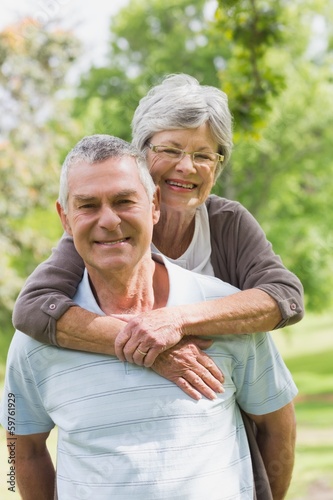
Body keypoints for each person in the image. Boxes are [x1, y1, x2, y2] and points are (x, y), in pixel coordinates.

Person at [1, 135, 297, 499]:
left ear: (154, 205)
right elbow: (20, 445)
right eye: (88, 206)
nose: (108, 220)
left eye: (125, 201)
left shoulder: (226, 311)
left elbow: (277, 425)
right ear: (65, 217)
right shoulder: (36, 339)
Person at [12, 73, 304, 400]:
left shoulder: (228, 223)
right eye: (171, 150)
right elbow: (33, 309)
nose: (186, 167)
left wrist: (177, 320)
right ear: (141, 153)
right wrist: (151, 347)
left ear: (218, 165)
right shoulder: (106, 232)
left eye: (203, 155)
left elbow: (284, 297)